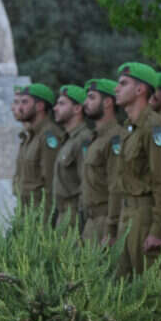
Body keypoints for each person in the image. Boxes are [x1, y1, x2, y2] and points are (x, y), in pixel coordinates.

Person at [111, 63, 161, 277]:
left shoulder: (154, 128)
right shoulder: (130, 129)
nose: (116, 89)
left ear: (140, 90)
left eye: (123, 84)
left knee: (149, 291)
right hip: (127, 213)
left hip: (145, 216)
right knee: (124, 289)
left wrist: (159, 230)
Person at [14, 83, 64, 222]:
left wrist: (46, 222)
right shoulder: (31, 136)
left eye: (25, 102)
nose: (20, 107)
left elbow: (50, 183)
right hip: (26, 214)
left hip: (40, 217)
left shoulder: (49, 136)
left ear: (39, 106)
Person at [80, 79, 122, 244]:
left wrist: (111, 228)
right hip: (90, 222)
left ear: (107, 102)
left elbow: (116, 187)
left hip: (106, 222)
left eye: (91, 97)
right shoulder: (95, 138)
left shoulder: (115, 138)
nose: (86, 103)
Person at [51, 84, 93, 230]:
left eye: (62, 104)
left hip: (75, 218)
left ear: (77, 108)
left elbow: (86, 182)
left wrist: (82, 222)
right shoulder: (68, 139)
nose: (55, 108)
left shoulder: (84, 139)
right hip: (63, 216)